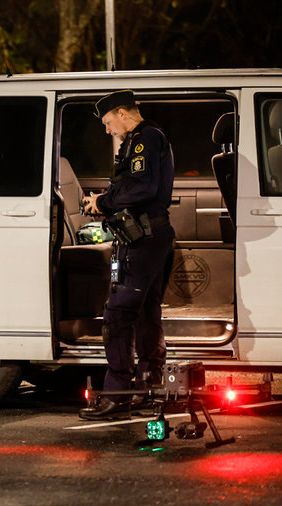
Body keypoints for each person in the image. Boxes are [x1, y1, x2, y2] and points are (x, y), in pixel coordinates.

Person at [78, 90, 175, 420]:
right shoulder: (145, 138)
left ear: (122, 112)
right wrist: (105, 199)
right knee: (148, 312)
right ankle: (149, 386)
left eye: (107, 122)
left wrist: (101, 203)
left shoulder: (144, 139)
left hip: (144, 239)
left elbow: (141, 188)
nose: (106, 130)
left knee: (118, 314)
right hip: (151, 236)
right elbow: (133, 186)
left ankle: (118, 393)